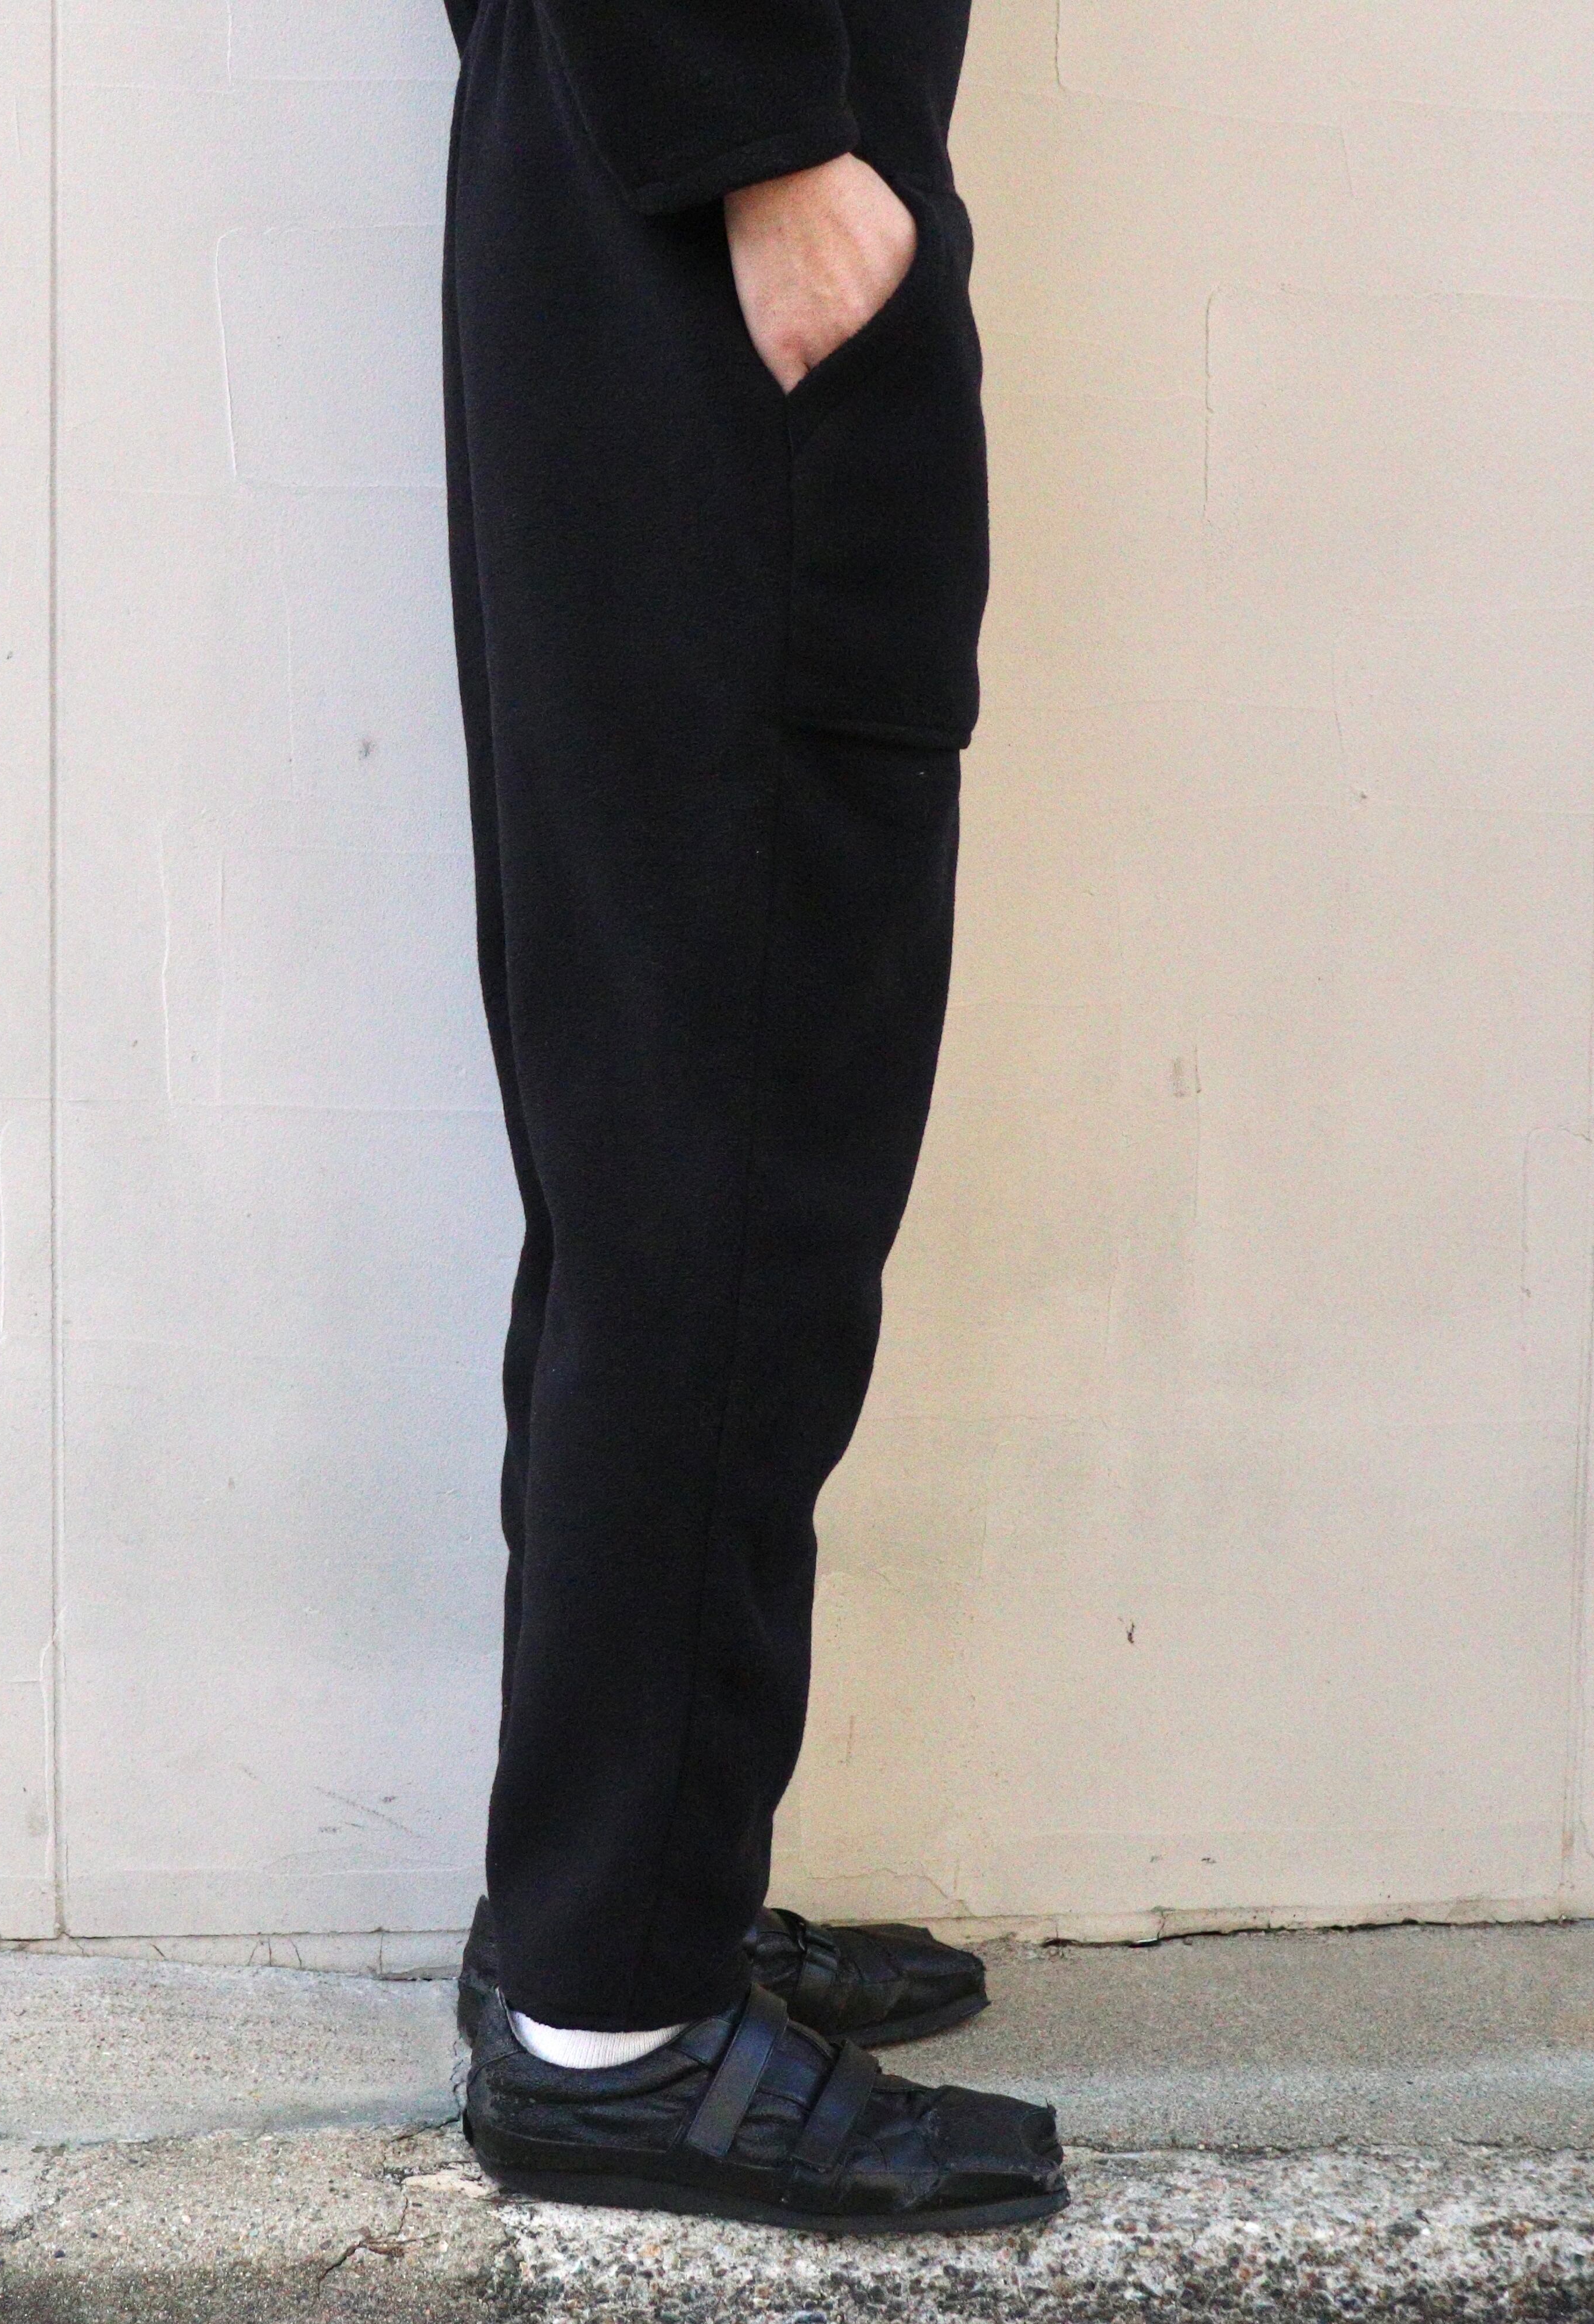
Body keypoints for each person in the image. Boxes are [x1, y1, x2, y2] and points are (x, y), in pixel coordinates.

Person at [439, 0, 1067, 2231]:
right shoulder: (752, 180)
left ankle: (610, 1905)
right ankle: (614, 2029)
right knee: (724, 1184)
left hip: (651, 212)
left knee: (657, 1163)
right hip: (720, 219)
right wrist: (767, 153)